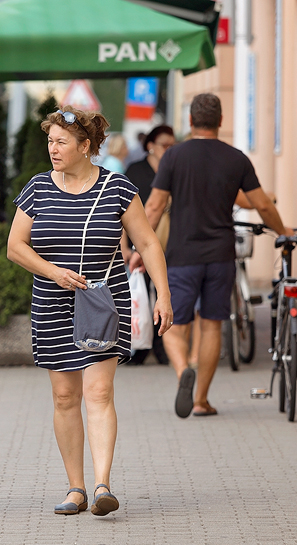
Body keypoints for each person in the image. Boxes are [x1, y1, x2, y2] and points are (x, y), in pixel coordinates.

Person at [7, 106, 172, 517]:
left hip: (101, 299)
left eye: (61, 142)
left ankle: (102, 485)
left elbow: (148, 244)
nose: (53, 148)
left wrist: (163, 295)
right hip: (52, 301)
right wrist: (53, 273)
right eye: (50, 141)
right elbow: (15, 247)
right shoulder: (38, 188)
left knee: (99, 392)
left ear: (86, 146)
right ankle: (75, 488)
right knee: (65, 397)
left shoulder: (117, 188)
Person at [141, 93, 289, 419]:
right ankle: (201, 400)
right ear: (221, 122)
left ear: (191, 122)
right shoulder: (236, 159)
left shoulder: (173, 157)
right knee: (211, 327)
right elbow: (262, 204)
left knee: (175, 327)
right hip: (221, 257)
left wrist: (141, 249)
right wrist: (283, 232)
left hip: (181, 255)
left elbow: (153, 207)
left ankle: (183, 374)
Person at [124, 124, 176, 366]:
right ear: (150, 146)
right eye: (165, 145)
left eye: (172, 145)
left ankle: (163, 346)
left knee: (166, 293)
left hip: (171, 240)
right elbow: (121, 211)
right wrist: (125, 247)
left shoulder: (175, 168)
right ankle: (141, 348)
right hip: (140, 243)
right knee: (142, 293)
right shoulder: (136, 170)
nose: (169, 149)